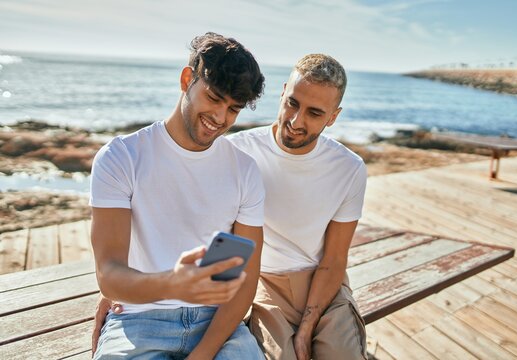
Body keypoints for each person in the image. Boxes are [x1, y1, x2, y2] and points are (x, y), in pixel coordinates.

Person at [90, 32, 266, 359]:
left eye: (233, 109)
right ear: (187, 80)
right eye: (214, 98)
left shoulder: (245, 170)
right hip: (139, 319)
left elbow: (245, 282)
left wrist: (203, 353)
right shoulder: (121, 157)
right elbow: (109, 275)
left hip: (219, 323)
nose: (220, 118)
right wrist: (173, 284)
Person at [227, 54, 368, 360]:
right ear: (282, 92)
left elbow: (333, 259)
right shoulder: (237, 151)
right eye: (292, 103)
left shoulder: (350, 168)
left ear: (333, 116)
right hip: (264, 283)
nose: (296, 121)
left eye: (315, 113)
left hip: (324, 284)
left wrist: (307, 329)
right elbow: (212, 231)